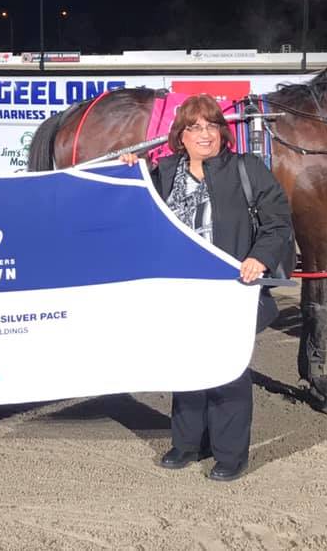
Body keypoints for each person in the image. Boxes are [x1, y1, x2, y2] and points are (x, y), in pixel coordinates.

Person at [121, 94, 294, 480]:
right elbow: (132, 213)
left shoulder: (246, 168)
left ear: (222, 132)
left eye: (212, 125)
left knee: (228, 369)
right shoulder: (163, 173)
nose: (204, 133)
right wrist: (129, 172)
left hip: (229, 289)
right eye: (194, 127)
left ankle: (230, 453)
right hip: (180, 292)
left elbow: (278, 220)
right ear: (180, 136)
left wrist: (260, 257)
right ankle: (187, 443)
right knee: (186, 366)